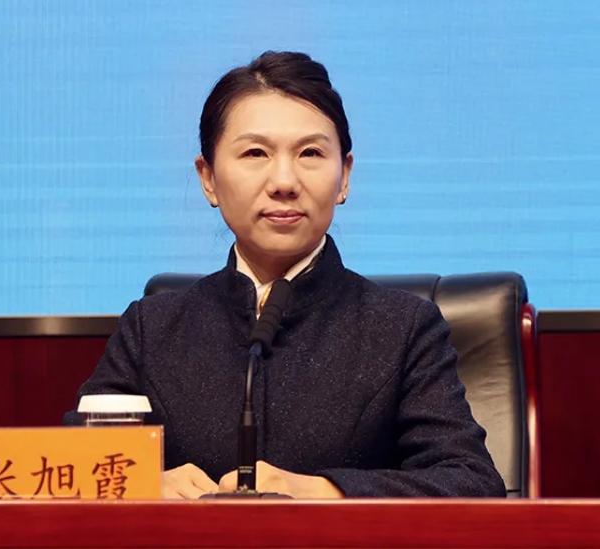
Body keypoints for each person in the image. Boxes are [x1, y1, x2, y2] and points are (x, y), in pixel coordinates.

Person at [64, 51, 506, 499]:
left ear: (344, 176)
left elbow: (471, 482)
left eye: (310, 153)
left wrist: (320, 492)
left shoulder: (403, 329)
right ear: (208, 178)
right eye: (255, 153)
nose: (284, 181)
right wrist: (140, 487)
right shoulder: (152, 329)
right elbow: (65, 474)